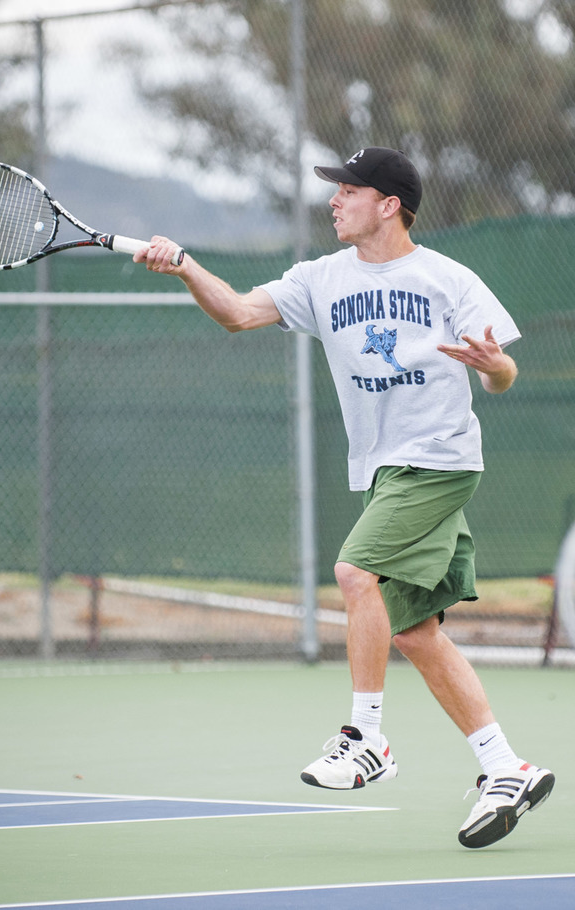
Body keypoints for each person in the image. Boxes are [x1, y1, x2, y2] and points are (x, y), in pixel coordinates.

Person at [133, 146, 554, 848]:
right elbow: (237, 313)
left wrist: (496, 367)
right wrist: (184, 266)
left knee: (357, 575)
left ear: (389, 204)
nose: (333, 201)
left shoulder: (447, 279)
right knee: (415, 632)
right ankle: (503, 768)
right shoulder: (321, 279)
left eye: (348, 190)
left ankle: (367, 740)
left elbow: (502, 372)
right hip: (387, 472)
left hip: (439, 461)